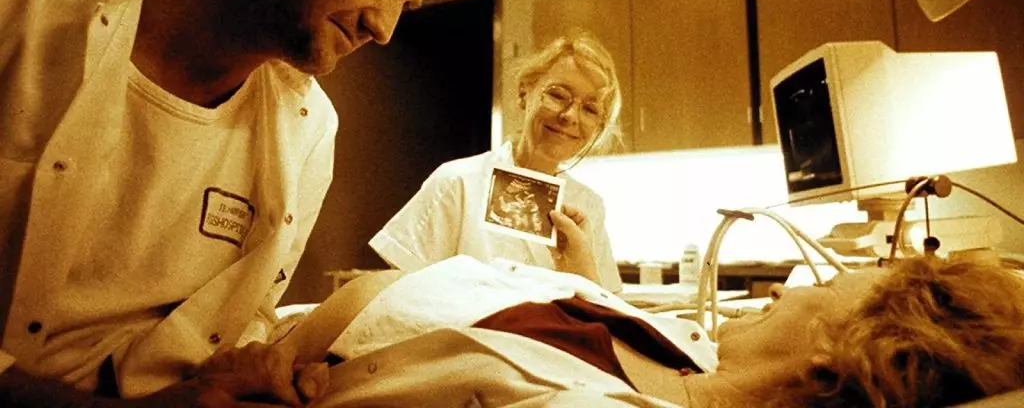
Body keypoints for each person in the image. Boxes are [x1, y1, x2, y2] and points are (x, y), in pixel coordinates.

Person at [0, 0, 485, 405]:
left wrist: (255, 373)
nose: (383, 28)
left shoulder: (308, 130)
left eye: (404, 3)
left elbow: (236, 322)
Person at [275, 254, 1024, 407]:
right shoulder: (687, 349)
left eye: (821, 287)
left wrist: (267, 372)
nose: (786, 286)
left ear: (835, 358)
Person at [369, 34, 625, 290]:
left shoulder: (589, 206)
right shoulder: (457, 183)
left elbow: (604, 304)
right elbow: (400, 293)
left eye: (590, 109)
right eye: (557, 95)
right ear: (526, 91)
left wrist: (583, 273)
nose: (569, 116)